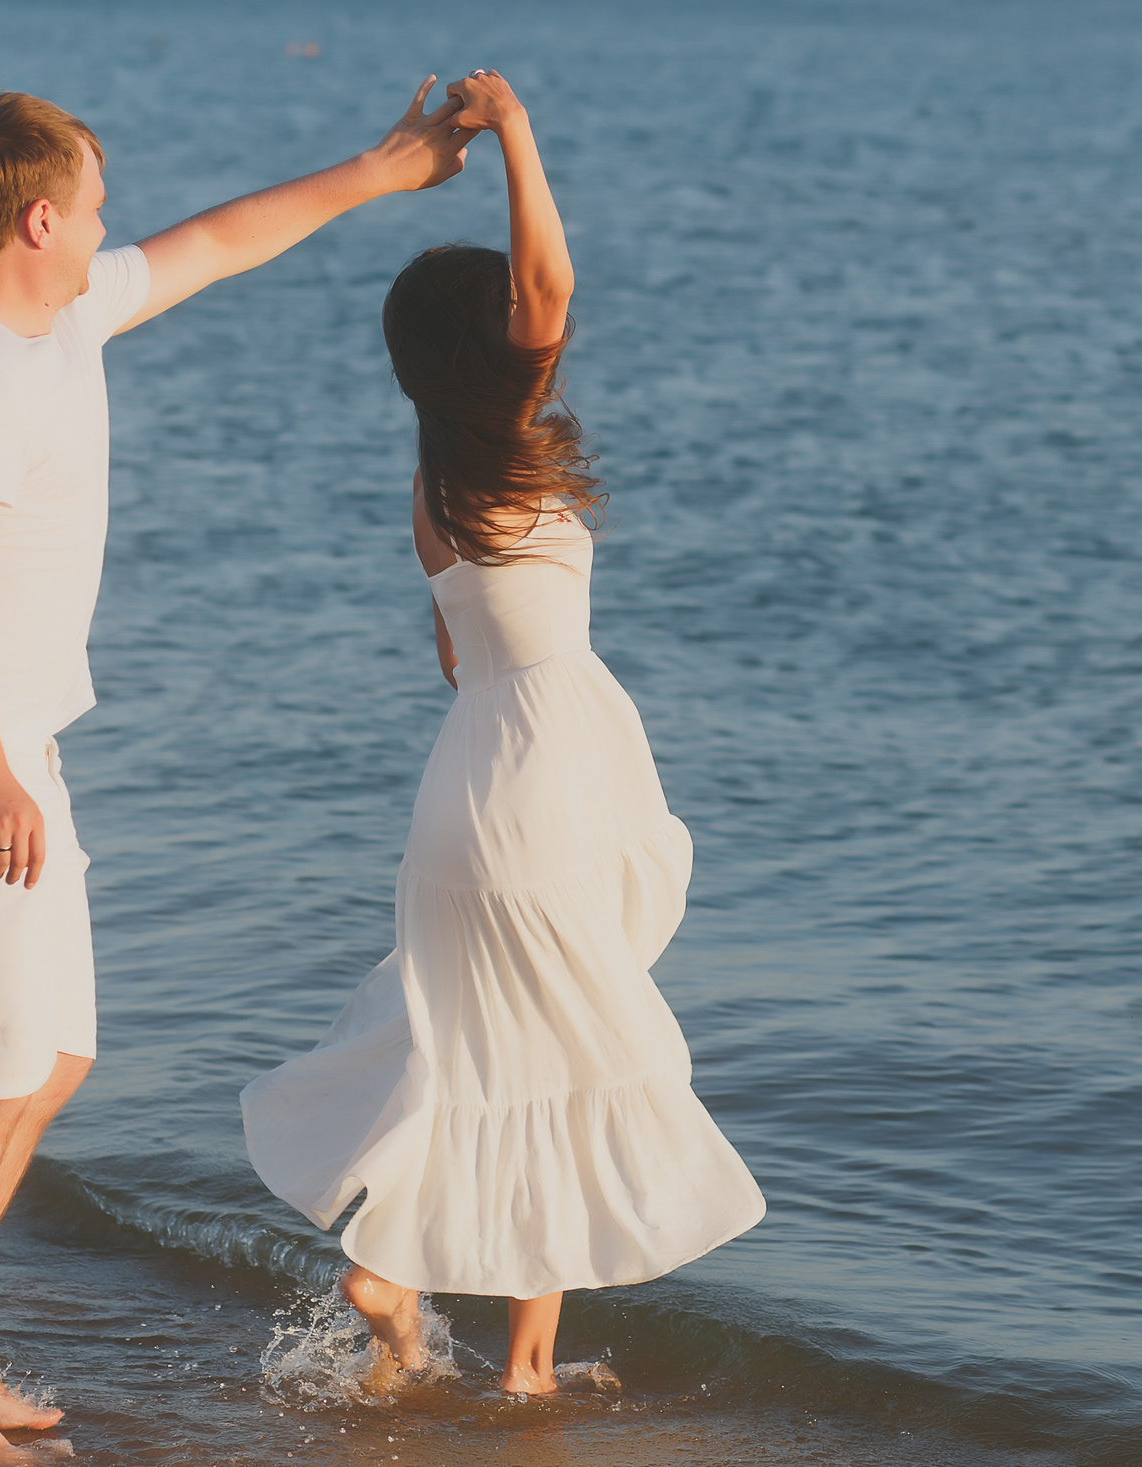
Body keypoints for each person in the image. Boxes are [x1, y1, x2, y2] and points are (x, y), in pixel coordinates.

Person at [0, 80, 473, 1453]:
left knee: (50, 1059)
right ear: (40, 218)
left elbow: (223, 242)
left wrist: (385, 170)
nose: (117, 228)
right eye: (98, 206)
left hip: (6, 746)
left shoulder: (55, 320)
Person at [241, 71, 764, 1395]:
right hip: (543, 782)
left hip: (465, 789)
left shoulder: (435, 483)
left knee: (479, 1046)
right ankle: (508, 1357)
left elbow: (451, 654)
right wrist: (515, 128)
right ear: (497, 354)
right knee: (583, 1051)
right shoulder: (502, 452)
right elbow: (553, 292)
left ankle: (422, 1295)